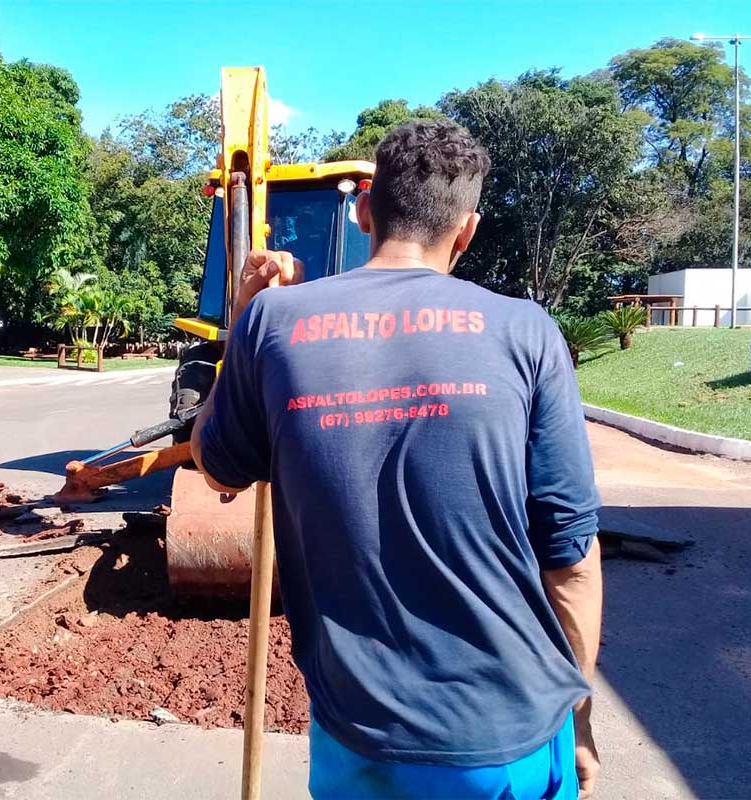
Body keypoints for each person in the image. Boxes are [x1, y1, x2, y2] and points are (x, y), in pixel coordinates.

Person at [191, 119, 602, 800]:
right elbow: (571, 558)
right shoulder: (527, 330)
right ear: (466, 231)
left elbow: (219, 467)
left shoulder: (272, 323)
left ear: (363, 211)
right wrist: (580, 715)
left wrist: (244, 315)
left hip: (360, 735)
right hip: (513, 731)